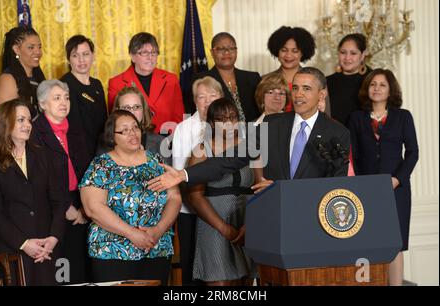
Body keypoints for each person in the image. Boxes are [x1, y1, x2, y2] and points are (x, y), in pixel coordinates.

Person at [148, 67, 350, 195]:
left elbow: (336, 187)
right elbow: (230, 159)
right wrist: (183, 174)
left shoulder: (337, 132)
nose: (298, 95)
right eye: (295, 88)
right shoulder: (272, 124)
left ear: (321, 94)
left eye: (306, 89)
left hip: (313, 217)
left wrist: (282, 189)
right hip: (275, 219)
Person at [79, 110, 181, 285]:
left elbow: (175, 198)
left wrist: (158, 230)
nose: (132, 133)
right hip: (112, 251)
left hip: (155, 247)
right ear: (112, 136)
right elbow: (93, 207)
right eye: (124, 130)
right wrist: (131, 233)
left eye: (135, 128)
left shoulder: (155, 160)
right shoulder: (101, 165)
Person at [349, 69, 419, 286]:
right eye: (373, 84)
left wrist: (397, 179)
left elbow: (413, 153)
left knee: (395, 242)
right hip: (366, 189)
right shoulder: (356, 118)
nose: (377, 88)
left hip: (396, 189)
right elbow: (354, 155)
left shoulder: (403, 116)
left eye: (382, 85)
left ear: (390, 91)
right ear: (366, 89)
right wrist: (361, 184)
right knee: (367, 240)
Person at [0, 99, 67, 285]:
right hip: (11, 254)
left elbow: (59, 202)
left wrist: (53, 238)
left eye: (29, 120)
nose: (27, 125)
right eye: (20, 120)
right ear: (5, 123)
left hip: (45, 252)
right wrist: (25, 244)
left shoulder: (43, 156)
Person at [188, 98, 255, 286]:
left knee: (247, 283)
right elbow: (194, 196)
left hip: (248, 223)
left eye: (232, 117)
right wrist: (223, 228)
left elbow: (262, 188)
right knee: (221, 285)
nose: (228, 123)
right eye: (221, 119)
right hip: (214, 223)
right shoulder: (201, 150)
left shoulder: (251, 147)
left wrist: (250, 225)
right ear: (211, 123)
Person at [31, 80, 92, 284]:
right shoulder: (34, 133)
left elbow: (87, 169)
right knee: (58, 268)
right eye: (56, 98)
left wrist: (85, 206)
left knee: (78, 264)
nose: (63, 102)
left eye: (66, 98)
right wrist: (66, 207)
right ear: (42, 104)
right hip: (52, 206)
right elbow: (40, 177)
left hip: (79, 202)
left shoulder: (74, 129)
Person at [172, 76, 223, 285]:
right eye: (201, 96)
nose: (207, 101)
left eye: (213, 95)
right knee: (193, 268)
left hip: (222, 209)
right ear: (195, 101)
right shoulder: (184, 128)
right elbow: (179, 172)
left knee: (219, 267)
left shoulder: (234, 129)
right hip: (191, 211)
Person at [108, 32, 184, 135]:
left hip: (167, 142)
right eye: (144, 53)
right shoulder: (116, 83)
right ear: (132, 56)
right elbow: (115, 122)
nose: (150, 57)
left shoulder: (171, 79)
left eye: (153, 52)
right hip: (133, 141)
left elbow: (179, 117)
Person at [193, 32, 261, 124]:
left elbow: (261, 111)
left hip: (254, 134)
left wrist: (260, 136)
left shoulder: (253, 78)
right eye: (221, 49)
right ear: (212, 52)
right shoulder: (201, 79)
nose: (226, 52)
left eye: (231, 48)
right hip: (219, 135)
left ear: (236, 51)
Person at [61, 35, 108, 157]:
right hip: (77, 154)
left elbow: (104, 121)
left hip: (101, 151)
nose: (81, 60)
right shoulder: (64, 85)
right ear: (68, 59)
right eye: (75, 55)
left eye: (85, 54)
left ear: (93, 55)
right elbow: (71, 129)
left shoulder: (97, 84)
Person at [101, 86, 169, 164]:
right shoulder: (105, 141)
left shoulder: (161, 142)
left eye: (136, 107)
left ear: (144, 109)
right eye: (126, 108)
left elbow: (170, 175)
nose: (132, 112)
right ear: (117, 110)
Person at [0, 26, 45, 117]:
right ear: (16, 49)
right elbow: (8, 120)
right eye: (31, 47)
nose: (38, 52)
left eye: (39, 47)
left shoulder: (38, 77)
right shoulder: (7, 80)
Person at [266, 26, 316, 112]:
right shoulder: (266, 80)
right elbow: (259, 117)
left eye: (295, 51)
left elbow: (325, 115)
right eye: (284, 50)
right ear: (277, 51)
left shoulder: (315, 80)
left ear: (302, 53)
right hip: (274, 125)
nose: (288, 55)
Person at [327, 33, 371, 127]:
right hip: (335, 136)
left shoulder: (373, 80)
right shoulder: (327, 82)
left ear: (363, 55)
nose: (347, 58)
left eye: (353, 53)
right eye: (343, 52)